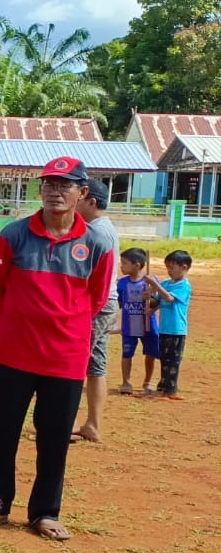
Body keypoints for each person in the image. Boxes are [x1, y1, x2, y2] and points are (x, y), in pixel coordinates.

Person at [0, 156, 115, 542]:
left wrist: (63, 329)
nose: (55, 191)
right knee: (3, 433)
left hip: (65, 360)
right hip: (13, 355)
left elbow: (97, 299)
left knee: (54, 439)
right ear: (40, 189)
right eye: (49, 184)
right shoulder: (12, 236)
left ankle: (45, 513)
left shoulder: (97, 243)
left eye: (65, 185)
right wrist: (20, 326)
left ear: (82, 192)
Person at [73, 180, 118, 441]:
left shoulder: (95, 232)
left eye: (78, 198)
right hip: (107, 303)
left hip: (97, 305)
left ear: (91, 202)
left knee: (74, 362)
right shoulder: (104, 227)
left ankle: (61, 422)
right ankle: (92, 424)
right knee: (95, 366)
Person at [147, 250, 192, 399]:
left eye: (172, 267)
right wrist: (149, 296)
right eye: (167, 267)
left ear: (184, 268)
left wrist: (155, 284)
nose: (169, 271)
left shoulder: (184, 286)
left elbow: (169, 298)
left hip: (177, 330)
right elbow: (158, 300)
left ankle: (171, 390)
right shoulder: (166, 283)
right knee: (164, 358)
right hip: (164, 328)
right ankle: (163, 385)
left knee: (174, 360)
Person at [116, 248, 159, 395]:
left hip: (148, 326)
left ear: (137, 264)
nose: (121, 267)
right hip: (129, 326)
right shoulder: (121, 284)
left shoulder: (150, 282)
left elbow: (158, 303)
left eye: (124, 263)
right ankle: (126, 382)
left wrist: (150, 298)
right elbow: (118, 303)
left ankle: (148, 381)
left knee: (151, 353)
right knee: (127, 354)